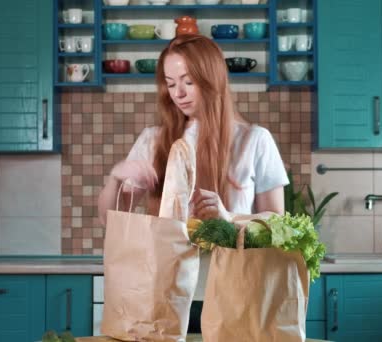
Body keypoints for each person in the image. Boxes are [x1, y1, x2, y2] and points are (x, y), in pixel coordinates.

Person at [96, 34, 289, 332]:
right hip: (163, 295)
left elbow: (277, 224)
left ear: (211, 79)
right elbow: (110, 220)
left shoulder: (255, 141)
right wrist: (116, 178)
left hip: (235, 295)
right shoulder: (153, 140)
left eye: (188, 81)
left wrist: (229, 220)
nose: (179, 93)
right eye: (171, 84)